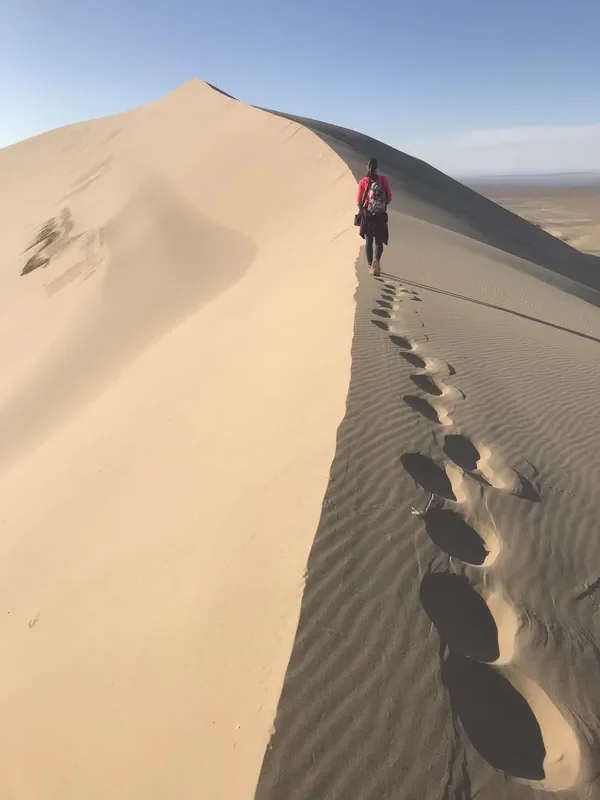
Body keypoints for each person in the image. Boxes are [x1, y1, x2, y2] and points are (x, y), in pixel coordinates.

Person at [356, 157, 392, 276]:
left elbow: (359, 200)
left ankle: (370, 265)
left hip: (368, 215)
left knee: (369, 240)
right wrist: (381, 205)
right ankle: (377, 261)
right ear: (377, 168)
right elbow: (389, 198)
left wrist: (363, 208)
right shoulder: (382, 180)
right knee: (378, 240)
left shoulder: (363, 181)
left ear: (367, 166)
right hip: (380, 215)